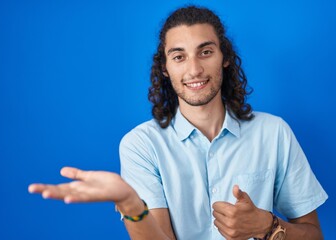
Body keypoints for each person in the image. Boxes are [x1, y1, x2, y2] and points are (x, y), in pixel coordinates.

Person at [29, 6, 328, 240]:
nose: (194, 69)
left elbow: (314, 235)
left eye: (206, 52)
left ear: (224, 57)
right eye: (179, 57)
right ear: (165, 68)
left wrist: (267, 225)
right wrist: (130, 203)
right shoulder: (140, 145)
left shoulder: (274, 132)